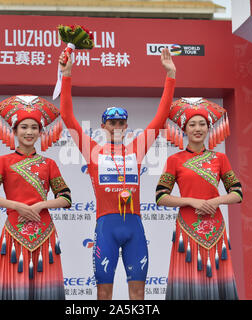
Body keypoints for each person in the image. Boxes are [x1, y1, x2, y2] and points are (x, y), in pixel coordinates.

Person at [58, 48, 176, 300]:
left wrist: (170, 75)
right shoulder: (92, 149)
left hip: (134, 226)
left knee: (138, 292)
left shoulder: (137, 147)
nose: (118, 127)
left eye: (122, 122)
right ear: (103, 126)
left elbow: (161, 116)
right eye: (112, 123)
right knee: (104, 292)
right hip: (106, 227)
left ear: (127, 125)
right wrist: (66, 74)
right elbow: (67, 116)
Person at [0, 95, 71, 300]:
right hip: (14, 232)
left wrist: (39, 205)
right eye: (24, 127)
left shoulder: (49, 164)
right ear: (14, 131)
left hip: (44, 233)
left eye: (34, 128)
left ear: (40, 133)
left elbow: (65, 198)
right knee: (16, 288)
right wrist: (17, 206)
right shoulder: (2, 161)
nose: (29, 132)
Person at [155, 98, 243, 300]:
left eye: (202, 124)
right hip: (187, 228)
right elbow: (161, 196)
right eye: (192, 124)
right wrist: (191, 201)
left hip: (215, 226)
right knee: (189, 281)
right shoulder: (174, 160)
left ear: (209, 128)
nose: (197, 128)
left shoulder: (220, 159)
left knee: (216, 279)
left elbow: (237, 193)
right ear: (184, 130)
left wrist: (216, 200)